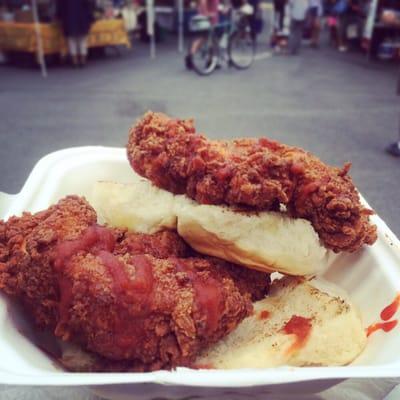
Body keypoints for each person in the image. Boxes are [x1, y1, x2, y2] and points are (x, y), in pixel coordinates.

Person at [56, 0, 95, 67]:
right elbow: (89, 5)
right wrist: (91, 17)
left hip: (69, 18)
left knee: (72, 40)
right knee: (82, 40)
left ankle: (75, 61)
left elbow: (60, 6)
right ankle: (83, 60)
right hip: (82, 18)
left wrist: (59, 17)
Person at [185, 0, 220, 69]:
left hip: (211, 20)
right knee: (202, 39)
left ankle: (210, 61)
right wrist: (206, 13)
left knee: (210, 40)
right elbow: (202, 1)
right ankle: (190, 58)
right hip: (208, 21)